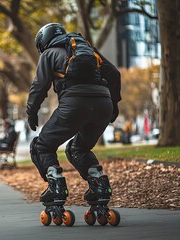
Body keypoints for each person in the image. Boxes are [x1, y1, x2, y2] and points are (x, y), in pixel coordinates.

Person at [27, 23, 121, 204]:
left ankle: (56, 187)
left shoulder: (49, 53)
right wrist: (114, 105)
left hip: (74, 104)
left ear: (43, 42)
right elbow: (114, 74)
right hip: (103, 104)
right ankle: (99, 185)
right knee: (79, 148)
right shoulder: (88, 50)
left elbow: (39, 86)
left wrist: (31, 112)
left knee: (42, 145)